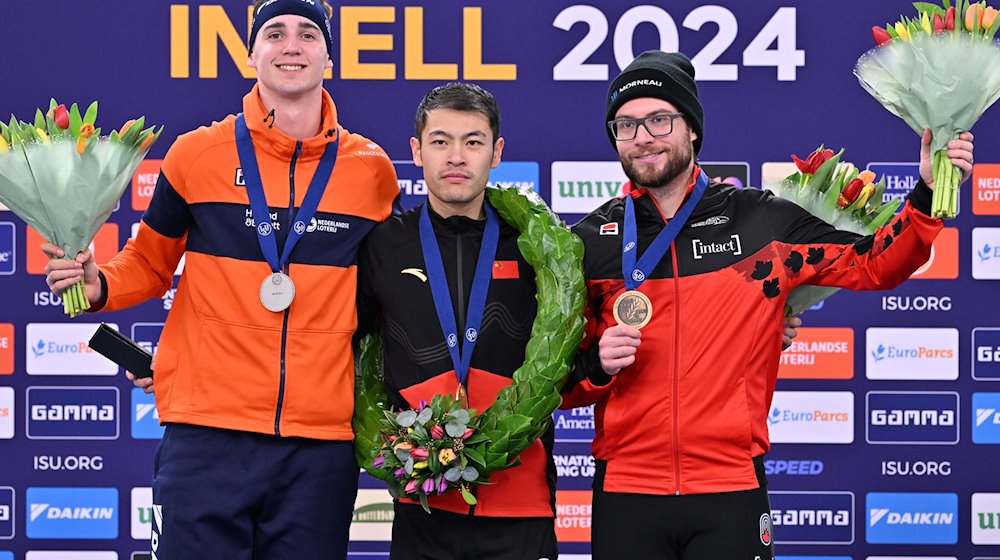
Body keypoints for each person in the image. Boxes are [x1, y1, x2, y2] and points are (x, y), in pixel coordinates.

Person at [561, 50, 974, 560]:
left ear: (691, 129)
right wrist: (597, 367)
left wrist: (927, 195)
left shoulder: (761, 222)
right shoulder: (590, 241)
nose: (642, 136)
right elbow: (560, 388)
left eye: (659, 119)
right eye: (626, 125)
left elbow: (874, 263)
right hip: (625, 491)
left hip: (730, 490)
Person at [41, 0, 400, 558]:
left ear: (329, 56)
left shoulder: (371, 171)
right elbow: (150, 262)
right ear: (252, 52)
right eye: (275, 33)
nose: (291, 46)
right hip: (208, 436)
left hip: (318, 446)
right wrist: (98, 285)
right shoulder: (196, 154)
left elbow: (385, 300)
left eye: (308, 35)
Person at [355, 82, 559, 560]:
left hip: (520, 502)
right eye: (440, 141)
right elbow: (341, 348)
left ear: (497, 151)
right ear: (417, 150)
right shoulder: (383, 247)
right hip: (422, 501)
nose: (456, 157)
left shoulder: (536, 245)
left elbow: (571, 351)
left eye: (473, 142)